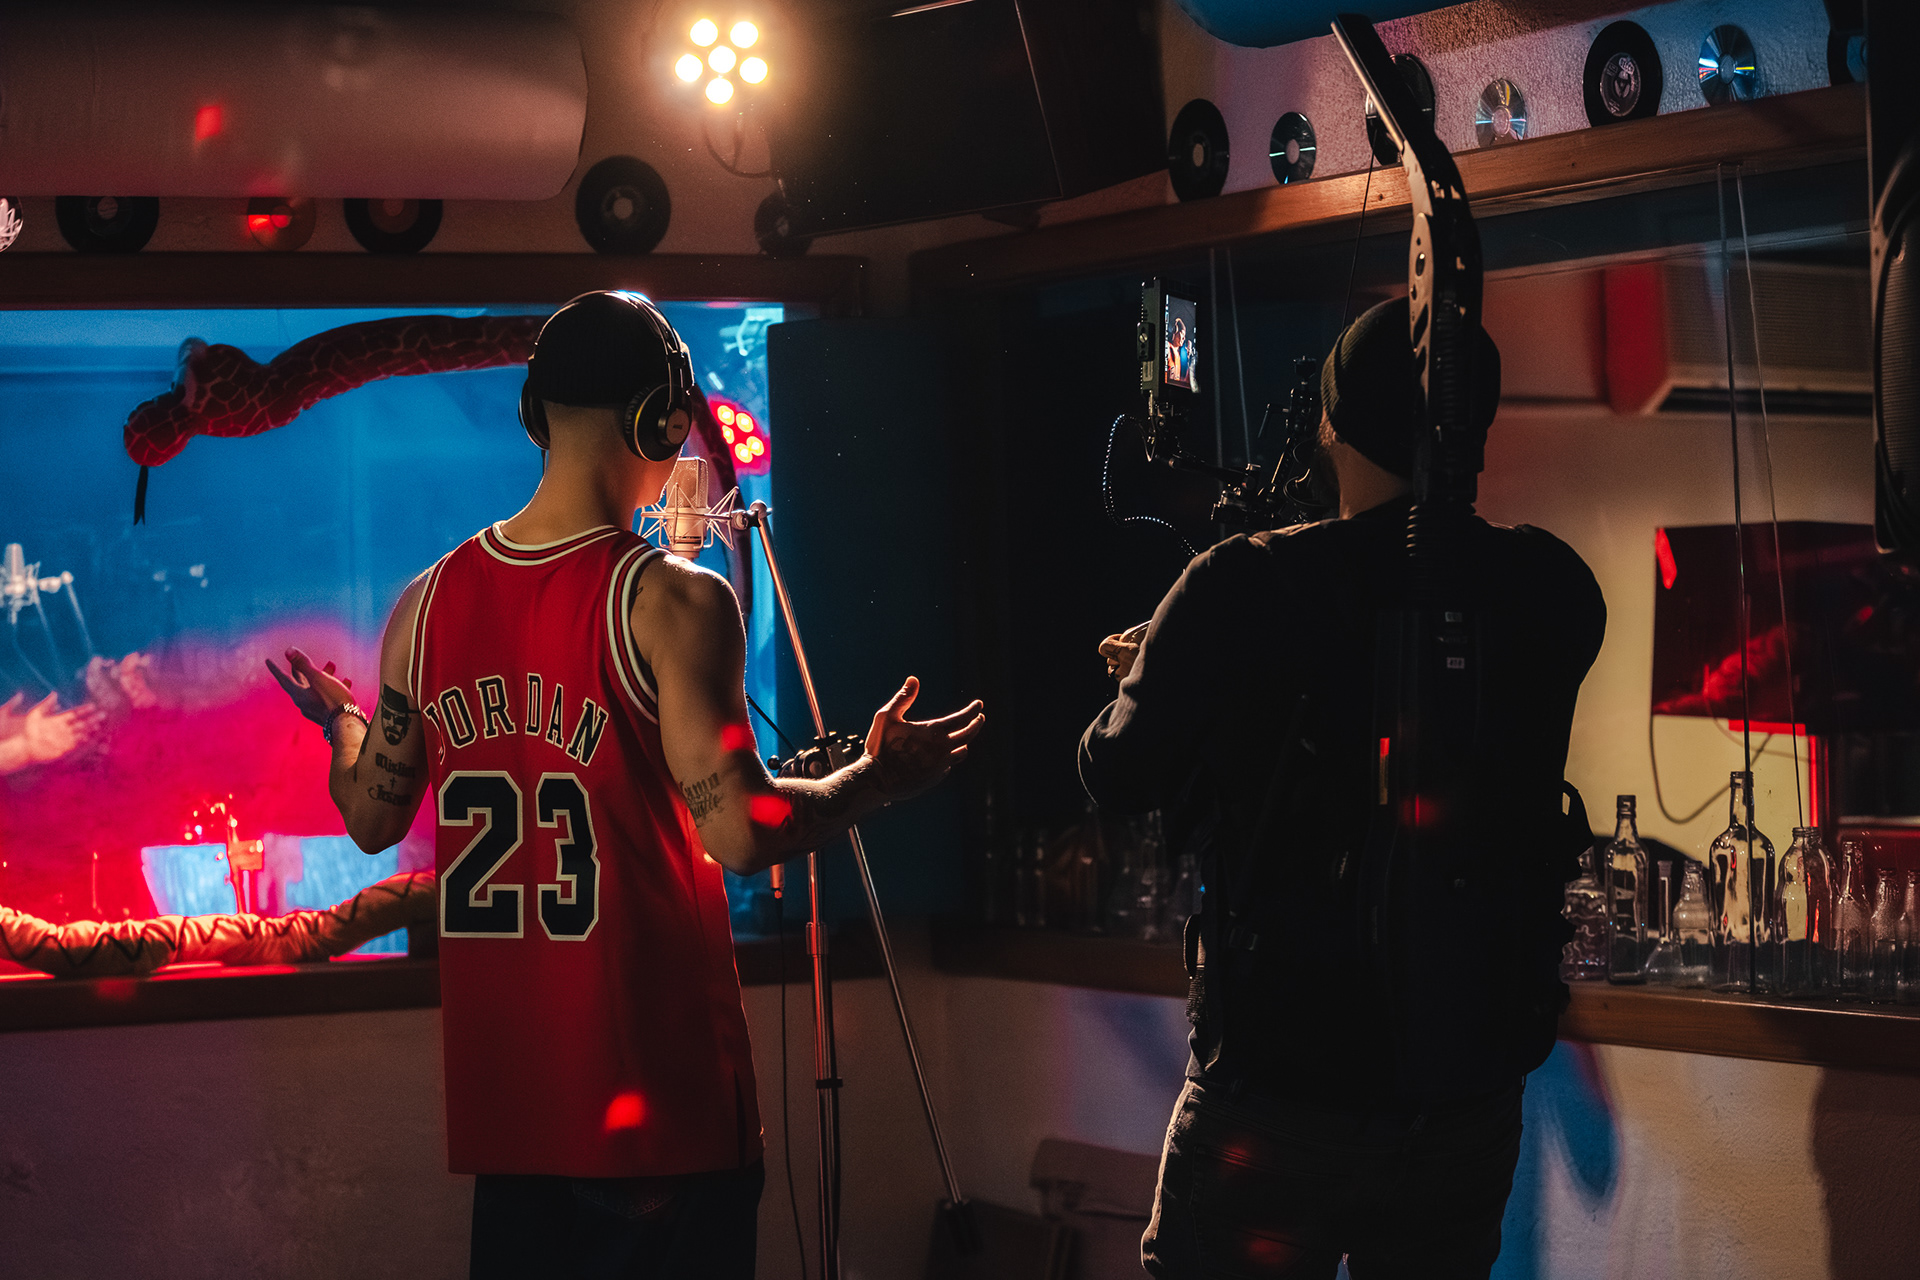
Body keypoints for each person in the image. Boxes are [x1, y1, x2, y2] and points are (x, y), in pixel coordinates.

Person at [268, 291, 984, 1280]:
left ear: (534, 415)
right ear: (664, 421)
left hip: (511, 1123)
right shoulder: (673, 601)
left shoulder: (422, 606)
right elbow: (742, 833)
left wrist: (342, 721)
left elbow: (369, 817)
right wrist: (876, 778)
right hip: (664, 1118)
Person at [1083, 297, 1606, 1280]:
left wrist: (1163, 667)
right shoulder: (1554, 585)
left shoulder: (1238, 586)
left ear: (1329, 423)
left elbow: (1117, 769)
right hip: (1465, 1093)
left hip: (1279, 1090)